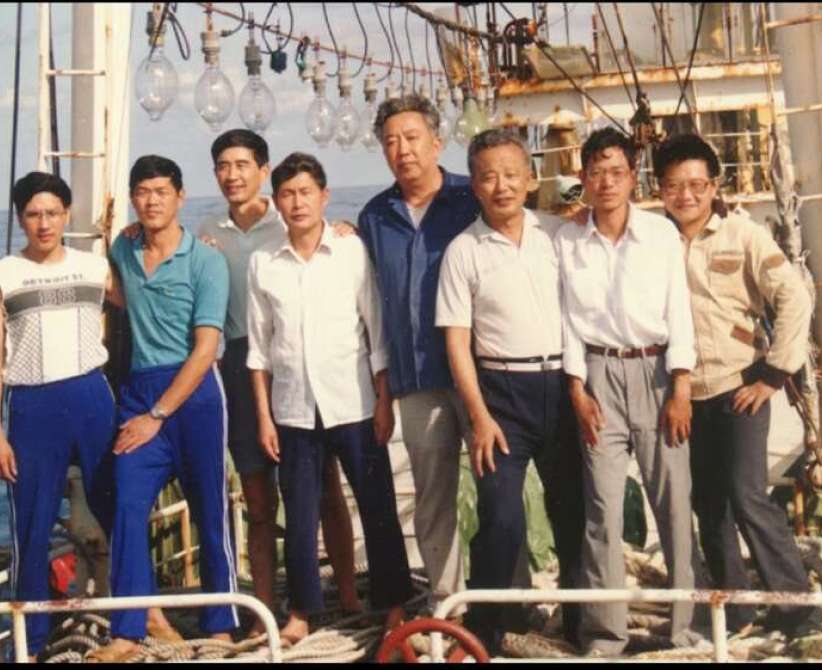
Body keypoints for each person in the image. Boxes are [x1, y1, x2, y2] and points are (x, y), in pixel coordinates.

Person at [654, 133, 822, 638]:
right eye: (673, 185)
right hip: (685, 396)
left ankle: (799, 610)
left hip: (739, 387)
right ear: (659, 189)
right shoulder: (654, 242)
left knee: (747, 494)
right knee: (709, 505)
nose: (685, 195)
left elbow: (794, 298)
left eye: (696, 184)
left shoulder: (743, 235)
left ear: (713, 186)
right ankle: (738, 613)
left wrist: (774, 375)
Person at [195, 129, 362, 634]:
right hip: (240, 361)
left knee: (324, 487)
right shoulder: (206, 231)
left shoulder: (288, 217)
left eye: (242, 164)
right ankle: (265, 608)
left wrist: (347, 228)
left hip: (297, 359)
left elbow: (330, 245)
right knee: (259, 497)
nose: (232, 175)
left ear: (263, 171)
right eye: (223, 166)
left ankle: (348, 594)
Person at [247, 152, 412, 643]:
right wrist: (264, 417)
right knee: (299, 514)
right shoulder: (263, 263)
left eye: (305, 192)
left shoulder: (351, 251)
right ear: (276, 201)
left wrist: (384, 399)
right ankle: (302, 611)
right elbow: (259, 349)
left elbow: (376, 329)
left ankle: (394, 604)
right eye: (287, 194)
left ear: (324, 196)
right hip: (293, 407)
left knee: (377, 505)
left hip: (353, 401)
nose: (297, 203)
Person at [556, 128, 702, 656]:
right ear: (583, 178)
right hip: (598, 376)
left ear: (632, 176)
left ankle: (685, 628)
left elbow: (678, 311)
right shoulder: (567, 240)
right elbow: (568, 321)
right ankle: (605, 634)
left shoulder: (660, 234)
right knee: (603, 510)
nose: (607, 183)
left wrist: (680, 386)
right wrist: (577, 388)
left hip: (657, 373)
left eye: (616, 172)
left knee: (674, 506)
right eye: (596, 172)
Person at [436, 128, 585, 649]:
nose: (501, 186)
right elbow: (457, 342)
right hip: (500, 394)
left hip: (561, 388)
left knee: (573, 510)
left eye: (510, 174)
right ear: (474, 184)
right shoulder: (463, 251)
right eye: (487, 176)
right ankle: (490, 629)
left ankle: (581, 623)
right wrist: (479, 417)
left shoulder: (558, 235)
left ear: (530, 177)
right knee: (500, 517)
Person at [92, 155, 236, 661]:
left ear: (180, 196)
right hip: (138, 391)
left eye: (161, 192)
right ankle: (128, 630)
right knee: (127, 506)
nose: (151, 201)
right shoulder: (123, 249)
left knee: (210, 511)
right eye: (143, 192)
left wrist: (158, 415)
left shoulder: (206, 261)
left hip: (194, 396)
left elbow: (206, 349)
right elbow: (121, 298)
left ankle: (221, 625)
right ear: (133, 199)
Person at [0, 171, 118, 661]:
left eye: (52, 213)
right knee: (32, 528)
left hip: (91, 396)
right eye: (34, 214)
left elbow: (149, 293)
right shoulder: (0, 275)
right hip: (33, 406)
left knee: (116, 510)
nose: (44, 223)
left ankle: (134, 622)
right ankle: (32, 644)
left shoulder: (95, 266)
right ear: (20, 218)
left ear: (66, 215)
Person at [356, 94, 480, 614]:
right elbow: (370, 302)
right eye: (391, 141)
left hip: (480, 374)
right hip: (416, 378)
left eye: (411, 138)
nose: (402, 150)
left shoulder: (471, 197)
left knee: (500, 493)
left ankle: (504, 602)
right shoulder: (374, 216)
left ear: (437, 141)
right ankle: (448, 606)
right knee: (432, 499)